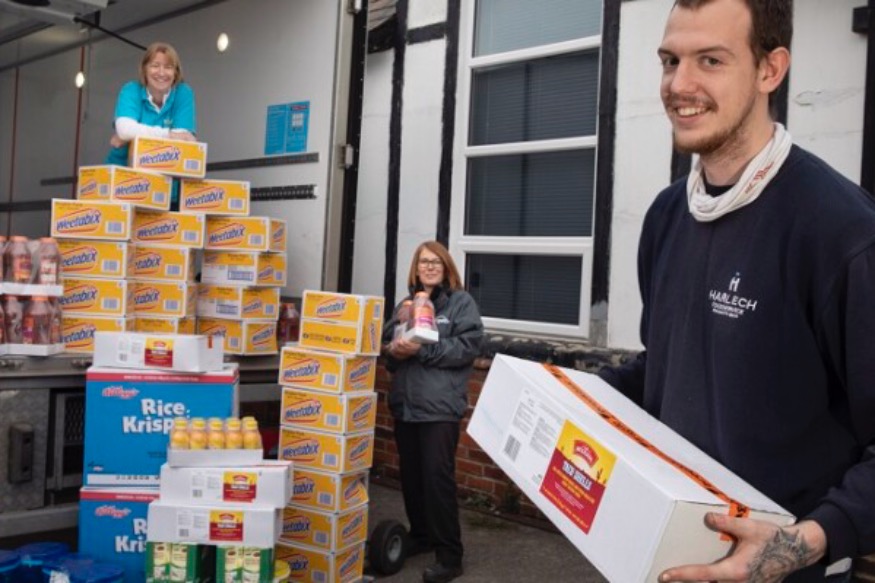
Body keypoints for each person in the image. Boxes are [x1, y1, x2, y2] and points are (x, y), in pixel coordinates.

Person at [597, 1, 875, 581]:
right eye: (670, 60)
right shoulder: (667, 214)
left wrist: (799, 545)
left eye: (711, 60)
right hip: (670, 558)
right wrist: (558, 398)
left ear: (770, 70)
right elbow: (669, 369)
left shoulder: (840, 230)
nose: (680, 84)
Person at [381, 241, 484, 583]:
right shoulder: (405, 304)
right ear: (416, 267)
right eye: (423, 262)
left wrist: (421, 351)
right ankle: (422, 536)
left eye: (435, 261)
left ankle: (450, 556)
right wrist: (394, 348)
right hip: (407, 406)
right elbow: (389, 355)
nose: (429, 267)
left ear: (446, 266)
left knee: (437, 481)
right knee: (411, 478)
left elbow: (468, 347)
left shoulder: (460, 303)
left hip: (439, 409)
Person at [106, 41, 196, 208]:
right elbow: (125, 130)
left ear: (176, 73)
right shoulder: (131, 90)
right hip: (124, 182)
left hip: (168, 189)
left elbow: (183, 142)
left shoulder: (183, 93)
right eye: (155, 65)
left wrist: (134, 136)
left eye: (169, 67)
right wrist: (168, 135)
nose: (161, 73)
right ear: (144, 68)